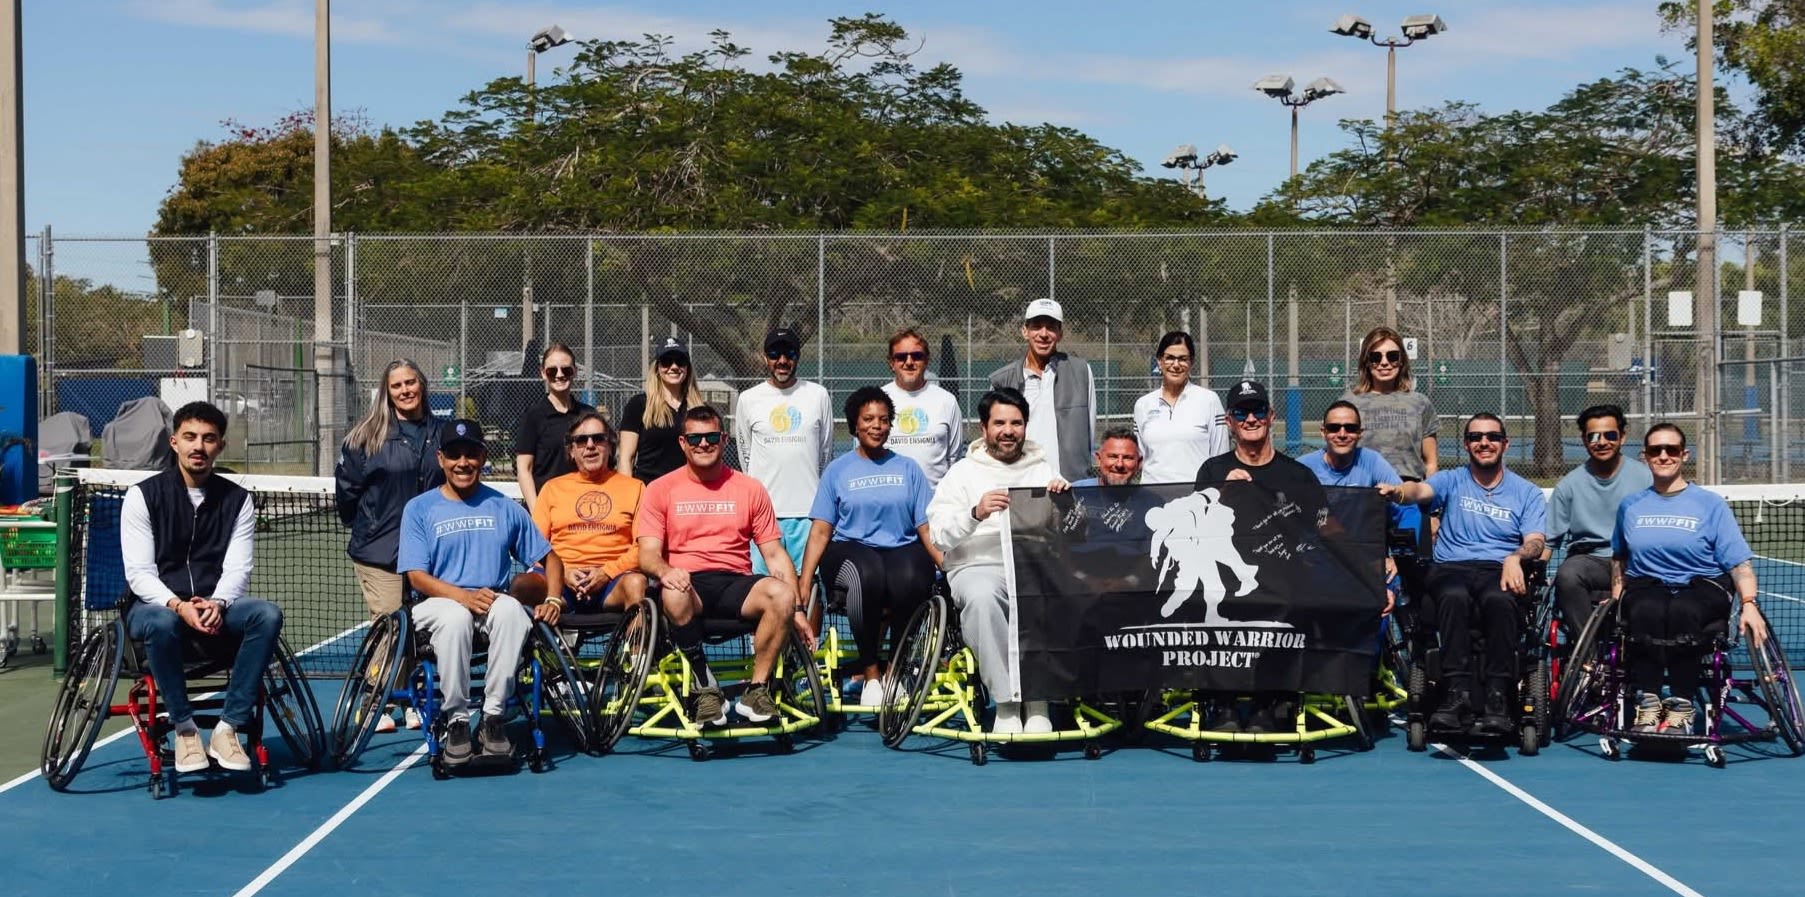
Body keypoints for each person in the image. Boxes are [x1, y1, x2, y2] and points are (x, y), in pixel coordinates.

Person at [121, 401, 282, 775]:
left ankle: (228, 729)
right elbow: (140, 574)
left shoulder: (238, 500)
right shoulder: (141, 496)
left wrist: (219, 602)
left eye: (209, 439)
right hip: (155, 609)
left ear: (220, 446)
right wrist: (179, 606)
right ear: (173, 442)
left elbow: (238, 568)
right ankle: (185, 729)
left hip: (215, 608)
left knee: (266, 615)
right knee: (161, 623)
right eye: (190, 437)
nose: (199, 446)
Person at [398, 419, 565, 767]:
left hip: (490, 601)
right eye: (455, 455)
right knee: (457, 617)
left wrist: (552, 598)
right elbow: (416, 576)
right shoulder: (419, 509)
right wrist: (461, 597)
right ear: (441, 459)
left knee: (512, 611)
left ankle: (493, 718)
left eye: (471, 454)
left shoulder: (504, 507)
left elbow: (550, 558)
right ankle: (457, 720)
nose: (463, 463)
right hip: (437, 605)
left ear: (483, 457)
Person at [637, 405, 814, 726]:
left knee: (783, 596)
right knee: (672, 592)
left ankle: (757, 691)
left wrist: (798, 610)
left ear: (724, 439)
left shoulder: (751, 489)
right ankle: (706, 687)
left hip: (736, 584)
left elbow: (774, 555)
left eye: (711, 437)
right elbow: (647, 555)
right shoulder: (659, 489)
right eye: (695, 438)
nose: (703, 444)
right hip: (689, 585)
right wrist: (666, 572)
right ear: (682, 443)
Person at [1611, 423, 1769, 735]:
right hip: (1648, 584)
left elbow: (1738, 562)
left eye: (1671, 450)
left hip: (1702, 585)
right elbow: (1620, 558)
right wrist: (1616, 599)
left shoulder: (1710, 504)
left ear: (1684, 455)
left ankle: (1681, 705)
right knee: (1645, 610)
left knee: (1683, 611)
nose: (1664, 455)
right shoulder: (1630, 506)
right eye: (1656, 450)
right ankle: (1650, 704)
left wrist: (1749, 603)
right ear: (1646, 456)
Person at [927, 387, 1069, 734]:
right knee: (982, 597)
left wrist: (1065, 506)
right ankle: (1006, 702)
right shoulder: (962, 473)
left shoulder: (1043, 468)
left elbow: (1068, 534)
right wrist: (975, 513)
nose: (1008, 431)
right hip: (977, 565)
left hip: (1032, 562)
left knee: (1052, 595)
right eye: (1000, 423)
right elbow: (939, 535)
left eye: (1016, 423)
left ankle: (1037, 702)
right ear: (984, 428)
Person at [1192, 380, 1332, 732]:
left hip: (1281, 576)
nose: (1250, 418)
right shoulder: (1212, 470)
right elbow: (1194, 527)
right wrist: (1223, 493)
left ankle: (1265, 704)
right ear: (1230, 420)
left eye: (1257, 411)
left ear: (1271, 417)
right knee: (1212, 598)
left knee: (1287, 601)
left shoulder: (1298, 474)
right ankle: (1222, 705)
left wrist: (1374, 561)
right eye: (1241, 412)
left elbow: (1325, 528)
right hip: (1226, 573)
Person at [797, 387, 942, 707]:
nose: (877, 425)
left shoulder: (909, 469)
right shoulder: (837, 470)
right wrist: (805, 580)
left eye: (884, 419)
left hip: (899, 547)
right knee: (868, 573)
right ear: (854, 425)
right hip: (849, 548)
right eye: (869, 419)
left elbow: (924, 526)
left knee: (913, 577)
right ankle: (871, 674)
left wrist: (944, 562)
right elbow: (821, 530)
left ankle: (895, 671)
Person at [1419, 413, 1547, 735]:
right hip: (1451, 566)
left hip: (1498, 567)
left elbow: (1535, 541)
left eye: (1491, 437)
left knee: (1499, 600)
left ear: (1505, 443)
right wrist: (1400, 492)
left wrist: (1515, 557)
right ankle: (1456, 694)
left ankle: (1497, 697)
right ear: (1466, 445)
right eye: (1476, 437)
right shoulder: (1450, 480)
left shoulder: (1527, 492)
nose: (1484, 443)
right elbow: (1420, 492)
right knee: (1453, 596)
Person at [335, 358, 444, 733]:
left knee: (418, 628)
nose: (405, 390)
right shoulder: (364, 438)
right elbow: (346, 495)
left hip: (429, 553)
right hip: (379, 552)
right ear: (387, 391)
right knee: (390, 626)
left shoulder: (441, 434)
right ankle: (373, 700)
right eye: (397, 385)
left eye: (411, 382)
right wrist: (372, 527)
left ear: (422, 385)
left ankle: (408, 698)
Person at [1298, 400, 1432, 612]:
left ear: (1360, 433)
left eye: (1350, 428)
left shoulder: (1372, 462)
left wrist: (1399, 558)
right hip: (1319, 561)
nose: (1342, 434)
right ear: (1323, 432)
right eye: (1334, 428)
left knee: (1387, 597)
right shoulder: (1303, 468)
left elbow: (1407, 510)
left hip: (1366, 562)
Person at [734, 327, 834, 577]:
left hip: (809, 515)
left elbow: (825, 451)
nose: (782, 360)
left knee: (808, 589)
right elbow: (746, 454)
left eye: (789, 353)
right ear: (765, 357)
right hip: (764, 515)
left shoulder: (818, 395)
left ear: (797, 356)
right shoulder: (748, 399)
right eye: (774, 353)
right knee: (764, 587)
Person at [1547, 404, 1651, 641]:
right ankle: (1588, 660)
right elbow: (1548, 541)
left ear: (1622, 437)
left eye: (1610, 435)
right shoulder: (1568, 485)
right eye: (1593, 436)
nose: (1601, 441)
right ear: (1584, 440)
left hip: (1637, 561)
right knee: (1568, 575)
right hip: (1590, 561)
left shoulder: (1646, 478)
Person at [532, 411, 650, 612]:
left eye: (598, 438)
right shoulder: (552, 489)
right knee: (522, 585)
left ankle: (634, 644)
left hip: (613, 583)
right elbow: (534, 547)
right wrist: (563, 572)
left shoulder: (636, 488)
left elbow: (643, 548)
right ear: (571, 451)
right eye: (581, 440)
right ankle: (533, 644)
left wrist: (606, 572)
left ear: (610, 447)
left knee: (636, 583)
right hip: (560, 584)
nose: (590, 445)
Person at [989, 298, 1097, 483]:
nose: (1043, 334)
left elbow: (1090, 432)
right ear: (1025, 331)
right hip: (1021, 485)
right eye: (1036, 326)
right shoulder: (1002, 380)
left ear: (1060, 333)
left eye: (1051, 327)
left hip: (1070, 485)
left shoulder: (1081, 372)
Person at [1133, 331, 1228, 484]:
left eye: (1183, 359)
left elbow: (1220, 457)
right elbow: (1139, 458)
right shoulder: (1143, 405)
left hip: (1196, 500)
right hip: (1152, 500)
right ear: (1159, 361)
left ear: (1191, 362)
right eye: (1170, 358)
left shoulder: (1210, 401)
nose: (1176, 365)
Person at [514, 342, 595, 511]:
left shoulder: (588, 415)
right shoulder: (533, 416)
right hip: (547, 509)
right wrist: (537, 512)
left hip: (583, 507)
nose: (559, 375)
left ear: (575, 372)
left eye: (566, 370)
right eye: (552, 371)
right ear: (543, 373)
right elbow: (524, 469)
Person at [881, 328, 965, 487]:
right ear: (891, 363)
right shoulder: (877, 400)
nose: (909, 362)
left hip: (935, 504)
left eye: (917, 356)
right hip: (889, 504)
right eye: (901, 357)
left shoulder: (947, 401)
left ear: (926, 361)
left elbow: (953, 457)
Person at [618, 336, 705, 483]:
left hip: (688, 493)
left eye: (680, 361)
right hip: (649, 491)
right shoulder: (639, 405)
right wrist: (628, 498)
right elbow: (626, 458)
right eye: (666, 361)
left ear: (688, 367)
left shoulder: (698, 409)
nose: (674, 366)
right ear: (657, 368)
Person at [1073, 426, 1144, 487]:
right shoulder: (1076, 493)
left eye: (1127, 458)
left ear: (1138, 463)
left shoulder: (1148, 500)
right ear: (1099, 459)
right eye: (1113, 457)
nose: (1119, 464)